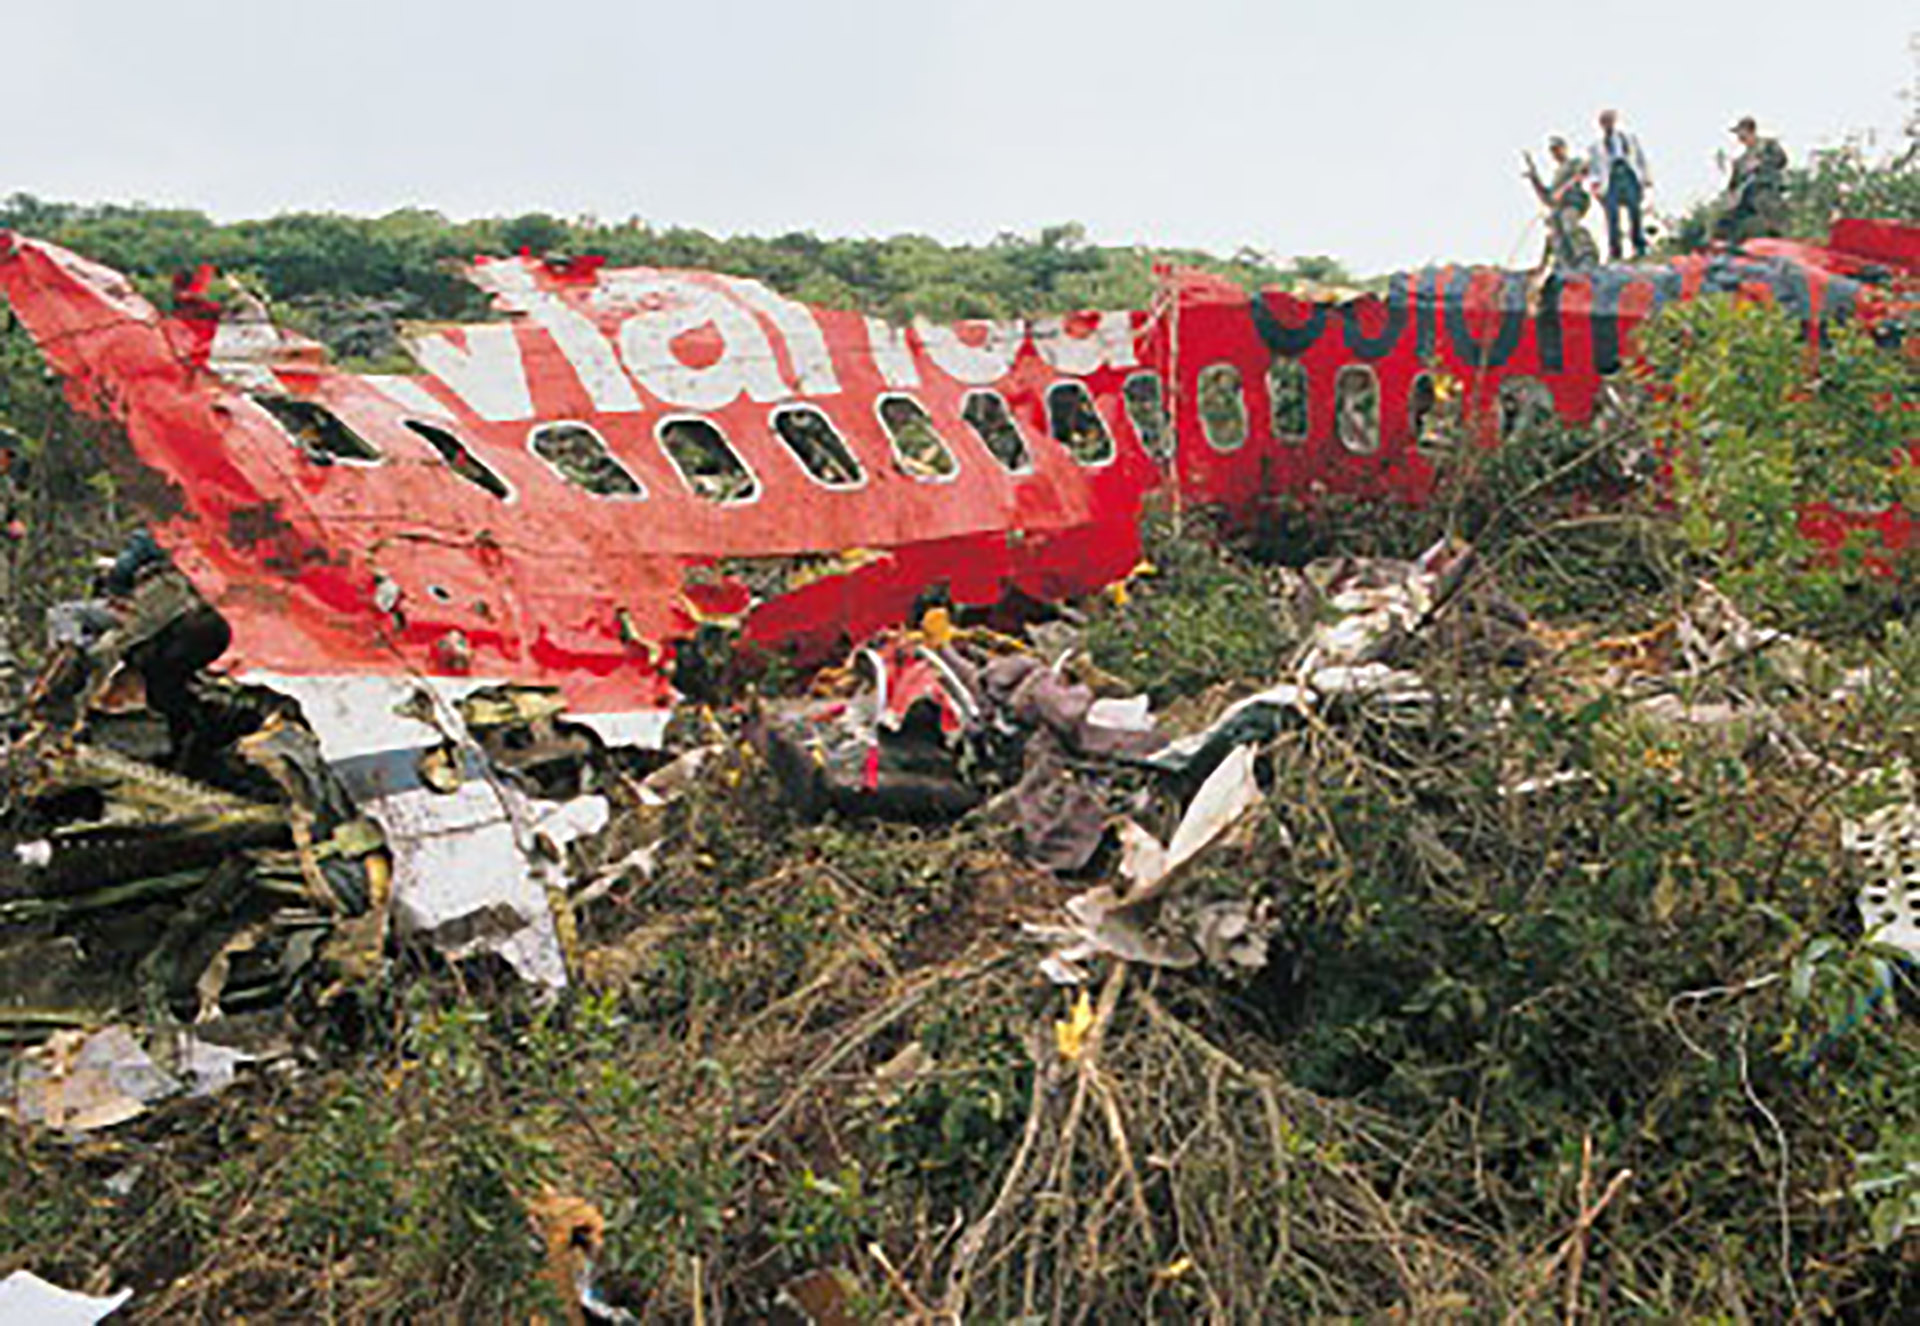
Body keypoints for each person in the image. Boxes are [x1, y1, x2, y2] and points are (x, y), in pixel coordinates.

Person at [1586, 109, 1654, 262]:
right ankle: (1615, 251)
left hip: (1628, 174)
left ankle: (1639, 246)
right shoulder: (1595, 147)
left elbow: (1641, 159)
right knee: (1612, 216)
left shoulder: (1628, 139)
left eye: (1610, 120)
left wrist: (1646, 178)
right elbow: (1594, 169)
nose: (1608, 124)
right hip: (1610, 179)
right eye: (1604, 122)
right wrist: (1595, 186)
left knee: (1635, 211)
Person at [1527, 136, 1599, 271]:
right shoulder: (1557, 175)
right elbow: (1548, 198)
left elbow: (1584, 169)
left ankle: (1586, 254)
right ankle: (1566, 262)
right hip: (1558, 207)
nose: (1556, 153)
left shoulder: (1573, 163)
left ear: (1564, 149)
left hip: (1572, 201)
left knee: (1570, 226)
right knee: (1557, 233)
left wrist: (1572, 181)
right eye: (1553, 151)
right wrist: (1534, 179)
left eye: (1558, 149)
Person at [1714, 116, 1789, 246]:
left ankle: (1778, 241)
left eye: (1740, 132)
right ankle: (1727, 243)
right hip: (1748, 195)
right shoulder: (1741, 159)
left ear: (1749, 130)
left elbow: (1781, 160)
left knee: (1771, 217)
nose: (1738, 136)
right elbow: (1734, 183)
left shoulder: (1767, 145)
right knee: (1730, 218)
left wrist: (1761, 163)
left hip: (1766, 189)